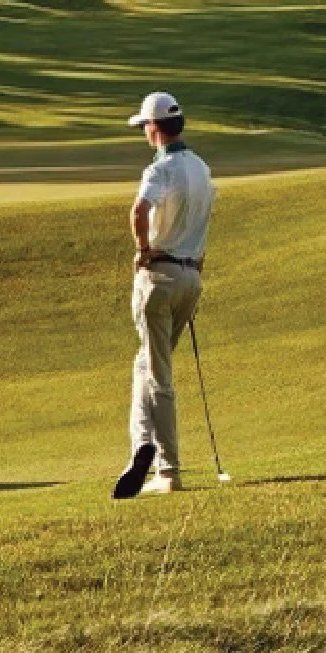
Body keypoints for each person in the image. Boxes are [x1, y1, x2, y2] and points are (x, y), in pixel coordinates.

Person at [113, 91, 215, 499]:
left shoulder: (162, 169)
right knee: (146, 364)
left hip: (159, 277)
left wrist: (142, 250)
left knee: (158, 376)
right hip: (191, 277)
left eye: (144, 126)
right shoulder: (202, 168)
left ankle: (168, 470)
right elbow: (206, 218)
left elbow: (139, 210)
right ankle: (141, 445)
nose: (144, 132)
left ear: (155, 128)